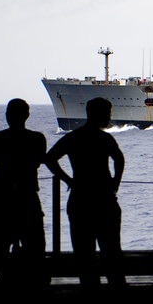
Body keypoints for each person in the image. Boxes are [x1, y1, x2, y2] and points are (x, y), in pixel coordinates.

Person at [44, 97, 125, 290]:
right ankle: (118, 294)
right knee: (111, 251)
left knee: (84, 254)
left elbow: (49, 159)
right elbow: (119, 160)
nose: (109, 117)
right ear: (99, 115)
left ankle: (90, 294)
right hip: (104, 199)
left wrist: (69, 180)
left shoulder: (73, 137)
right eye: (107, 114)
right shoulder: (105, 139)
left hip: (80, 198)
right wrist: (116, 182)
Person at [0, 98, 48, 292]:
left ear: (7, 115)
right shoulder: (37, 138)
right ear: (27, 116)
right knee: (34, 248)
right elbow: (38, 161)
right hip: (28, 196)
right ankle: (35, 287)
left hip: (2, 198)